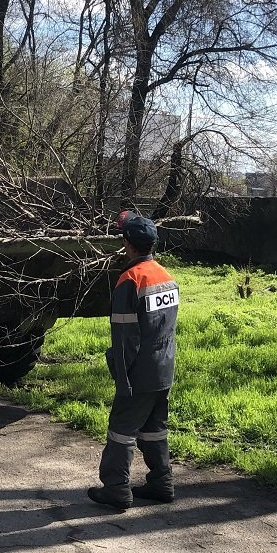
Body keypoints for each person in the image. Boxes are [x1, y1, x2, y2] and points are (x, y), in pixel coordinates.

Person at [88, 212, 179, 510]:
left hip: (139, 370)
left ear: (128, 244)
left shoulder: (130, 280)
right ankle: (162, 483)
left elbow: (126, 336)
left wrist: (120, 371)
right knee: (154, 428)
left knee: (121, 430)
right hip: (164, 367)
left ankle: (116, 489)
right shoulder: (165, 275)